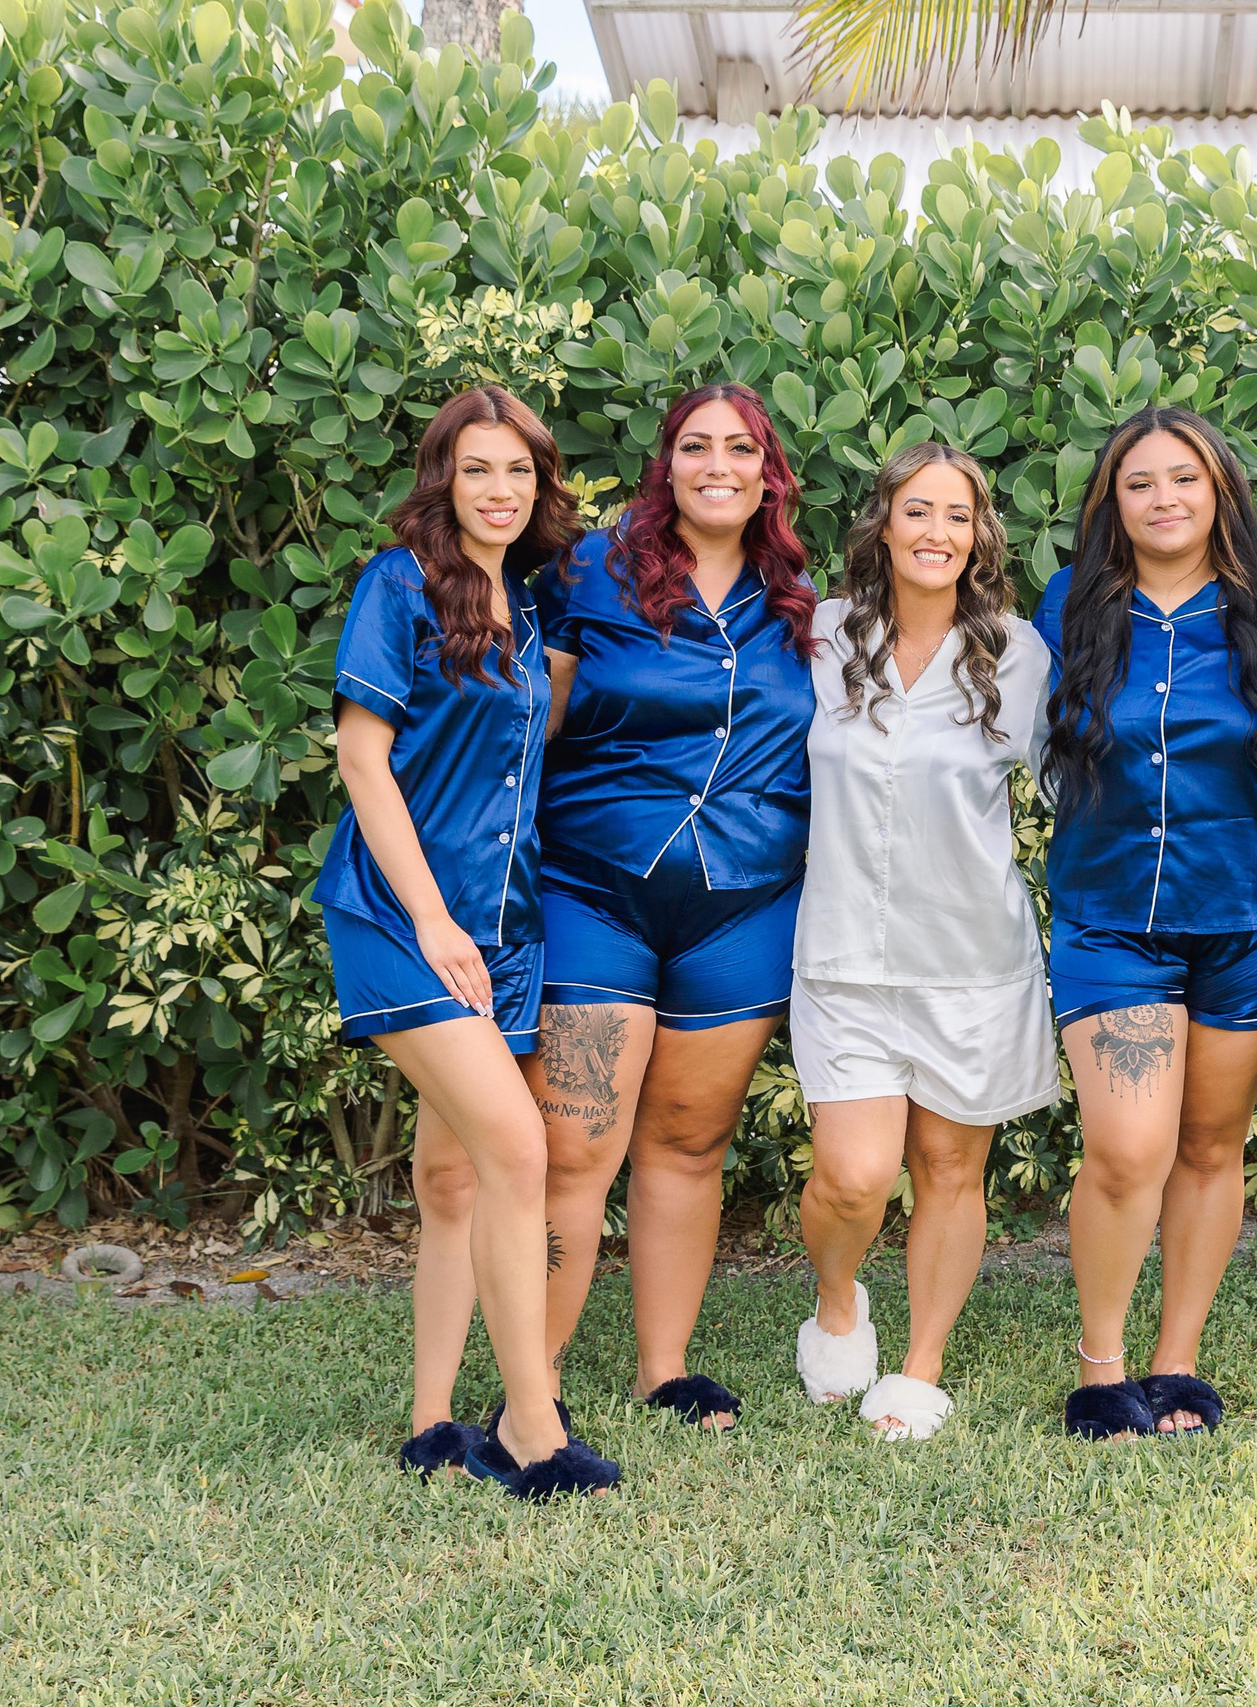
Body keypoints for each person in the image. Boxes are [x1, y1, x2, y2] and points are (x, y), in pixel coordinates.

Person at [321, 386, 620, 1500]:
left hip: (507, 928)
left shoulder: (533, 609)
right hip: (405, 921)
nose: (499, 492)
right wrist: (433, 920)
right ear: (442, 477)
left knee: (451, 1176)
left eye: (520, 473)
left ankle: (432, 1421)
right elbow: (362, 760)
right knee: (518, 1152)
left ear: (542, 487)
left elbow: (524, 758)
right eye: (477, 469)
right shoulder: (399, 586)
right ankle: (532, 1427)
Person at [526, 383, 817, 1431]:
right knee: (574, 1148)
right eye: (696, 447)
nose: (717, 466)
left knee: (690, 1144)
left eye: (741, 448)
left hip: (742, 910)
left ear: (768, 472)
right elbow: (530, 727)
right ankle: (538, 1379)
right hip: (594, 892)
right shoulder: (590, 576)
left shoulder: (800, 601)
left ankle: (664, 1367)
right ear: (666, 464)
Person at [1037, 406, 1257, 1441]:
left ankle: (1176, 1359)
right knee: (1124, 1150)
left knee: (1207, 1146)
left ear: (1220, 491)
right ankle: (1101, 1363)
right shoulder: (1071, 605)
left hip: (1249, 916)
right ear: (1112, 502)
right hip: (1112, 920)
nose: (1163, 500)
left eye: (1183, 479)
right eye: (1138, 483)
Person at [788, 442, 1060, 1442]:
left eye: (956, 515)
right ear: (883, 526)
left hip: (972, 964)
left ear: (980, 535)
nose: (936, 532)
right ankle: (836, 1301)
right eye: (917, 512)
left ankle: (919, 1369)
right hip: (843, 962)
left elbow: (1078, 789)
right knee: (851, 1178)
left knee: (951, 1172)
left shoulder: (1020, 655)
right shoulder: (819, 638)